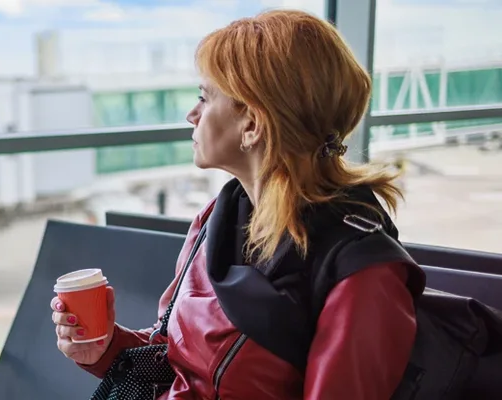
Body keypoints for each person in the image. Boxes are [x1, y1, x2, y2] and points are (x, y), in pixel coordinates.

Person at [51, 9, 422, 399]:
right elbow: (172, 356)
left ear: (253, 125)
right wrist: (105, 348)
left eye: (204, 97)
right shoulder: (217, 218)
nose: (191, 115)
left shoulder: (360, 270)